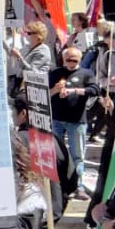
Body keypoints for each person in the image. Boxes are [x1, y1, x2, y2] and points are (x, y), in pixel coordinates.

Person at [48, 43, 95, 196]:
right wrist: (56, 89)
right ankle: (59, 184)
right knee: (56, 153)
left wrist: (73, 91)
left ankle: (79, 185)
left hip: (77, 120)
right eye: (68, 60)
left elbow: (94, 89)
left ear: (80, 60)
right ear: (63, 59)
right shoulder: (55, 73)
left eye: (74, 61)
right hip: (57, 119)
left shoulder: (86, 73)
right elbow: (45, 93)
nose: (70, 63)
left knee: (78, 155)